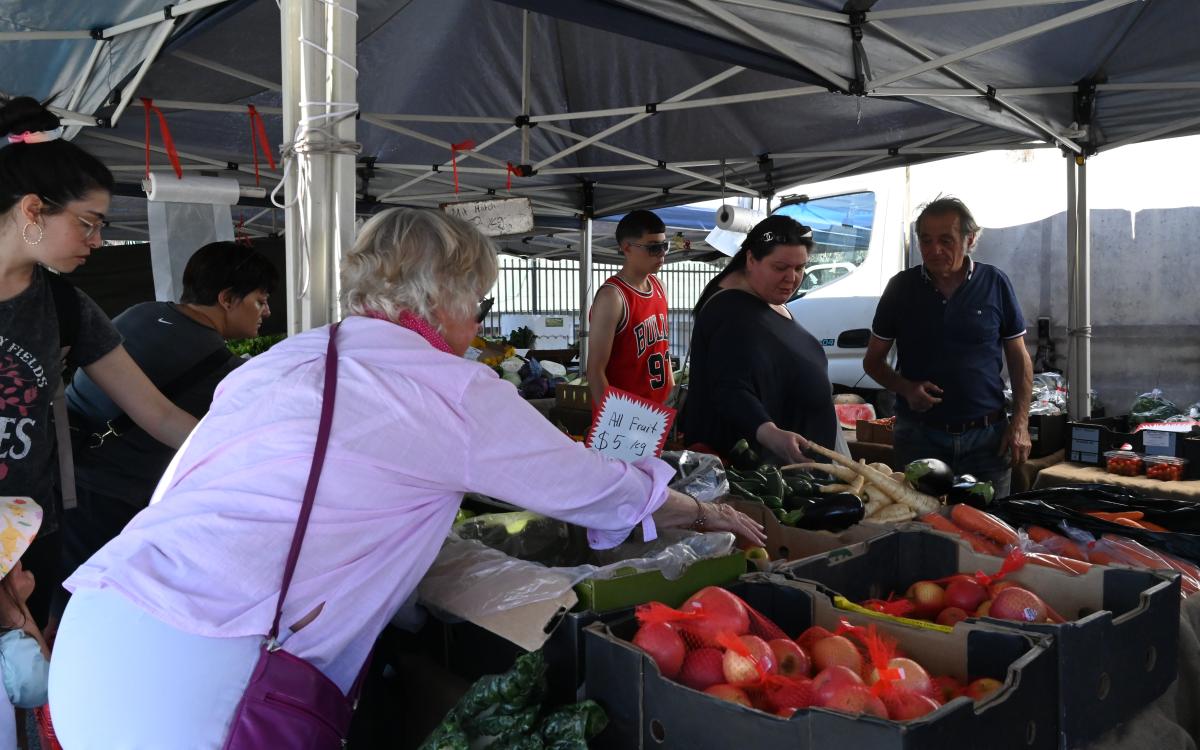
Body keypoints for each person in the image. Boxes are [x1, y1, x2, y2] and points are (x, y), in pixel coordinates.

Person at [47, 208, 765, 748]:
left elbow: (194, 474)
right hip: (205, 675)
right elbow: (590, 486)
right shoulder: (448, 387)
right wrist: (696, 511)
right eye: (478, 301)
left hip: (98, 632)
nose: (476, 319)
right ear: (445, 297)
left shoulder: (290, 357)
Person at [0, 97, 199, 628]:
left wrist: (253, 450)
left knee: (23, 683)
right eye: (88, 223)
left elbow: (157, 414)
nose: (98, 241)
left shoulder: (65, 306)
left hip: (28, 543)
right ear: (32, 210)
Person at [58, 241, 277, 608]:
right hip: (109, 497)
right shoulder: (221, 368)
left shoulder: (141, 312)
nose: (267, 312)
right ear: (226, 298)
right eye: (260, 300)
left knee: (51, 595)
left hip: (62, 471)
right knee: (84, 603)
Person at [863, 196, 1032, 497]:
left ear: (971, 239)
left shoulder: (995, 283)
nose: (934, 250)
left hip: (988, 440)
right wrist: (906, 388)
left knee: (992, 534)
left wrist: (1020, 423)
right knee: (920, 531)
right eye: (926, 241)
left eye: (946, 240)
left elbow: (1019, 360)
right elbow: (873, 362)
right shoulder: (901, 288)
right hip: (919, 438)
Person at [680, 215, 837, 465]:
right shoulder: (729, 311)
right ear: (751, 260)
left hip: (799, 474)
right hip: (759, 478)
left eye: (799, 268)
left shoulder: (767, 300)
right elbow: (730, 388)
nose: (792, 278)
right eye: (780, 267)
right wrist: (770, 434)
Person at [586, 209, 673, 406]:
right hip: (627, 418)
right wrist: (614, 421)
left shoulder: (660, 287)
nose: (661, 254)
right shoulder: (613, 297)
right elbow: (594, 372)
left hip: (660, 414)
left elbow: (663, 352)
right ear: (627, 248)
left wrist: (672, 398)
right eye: (653, 248)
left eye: (664, 246)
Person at [0, 498, 50, 750]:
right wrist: (16, 609)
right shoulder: (11, 660)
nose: (19, 562)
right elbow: (42, 682)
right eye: (10, 562)